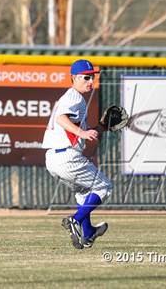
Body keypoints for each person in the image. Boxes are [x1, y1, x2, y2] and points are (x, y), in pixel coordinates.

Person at [42, 59, 112, 249]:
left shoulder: (71, 98)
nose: (91, 81)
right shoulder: (74, 96)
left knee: (84, 194)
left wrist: (102, 127)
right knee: (104, 187)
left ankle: (88, 233)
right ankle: (75, 220)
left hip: (53, 159)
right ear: (73, 78)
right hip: (67, 157)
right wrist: (82, 133)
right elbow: (61, 118)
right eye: (86, 77)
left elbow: (84, 130)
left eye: (93, 77)